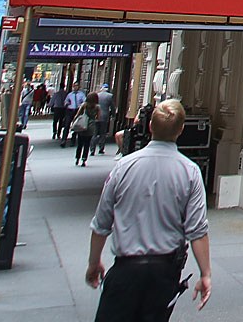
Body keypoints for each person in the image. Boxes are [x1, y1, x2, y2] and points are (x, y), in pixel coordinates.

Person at [86, 98, 211, 320]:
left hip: (125, 271)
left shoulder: (124, 167)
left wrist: (94, 263)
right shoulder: (190, 172)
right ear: (181, 130)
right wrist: (205, 273)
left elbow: (101, 223)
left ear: (150, 126)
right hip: (163, 275)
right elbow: (197, 231)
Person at [77, 91, 99, 166]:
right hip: (91, 126)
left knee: (80, 143)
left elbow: (78, 114)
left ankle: (77, 157)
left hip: (83, 124)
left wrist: (73, 122)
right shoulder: (97, 107)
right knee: (87, 143)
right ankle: (84, 159)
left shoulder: (84, 105)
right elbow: (98, 117)